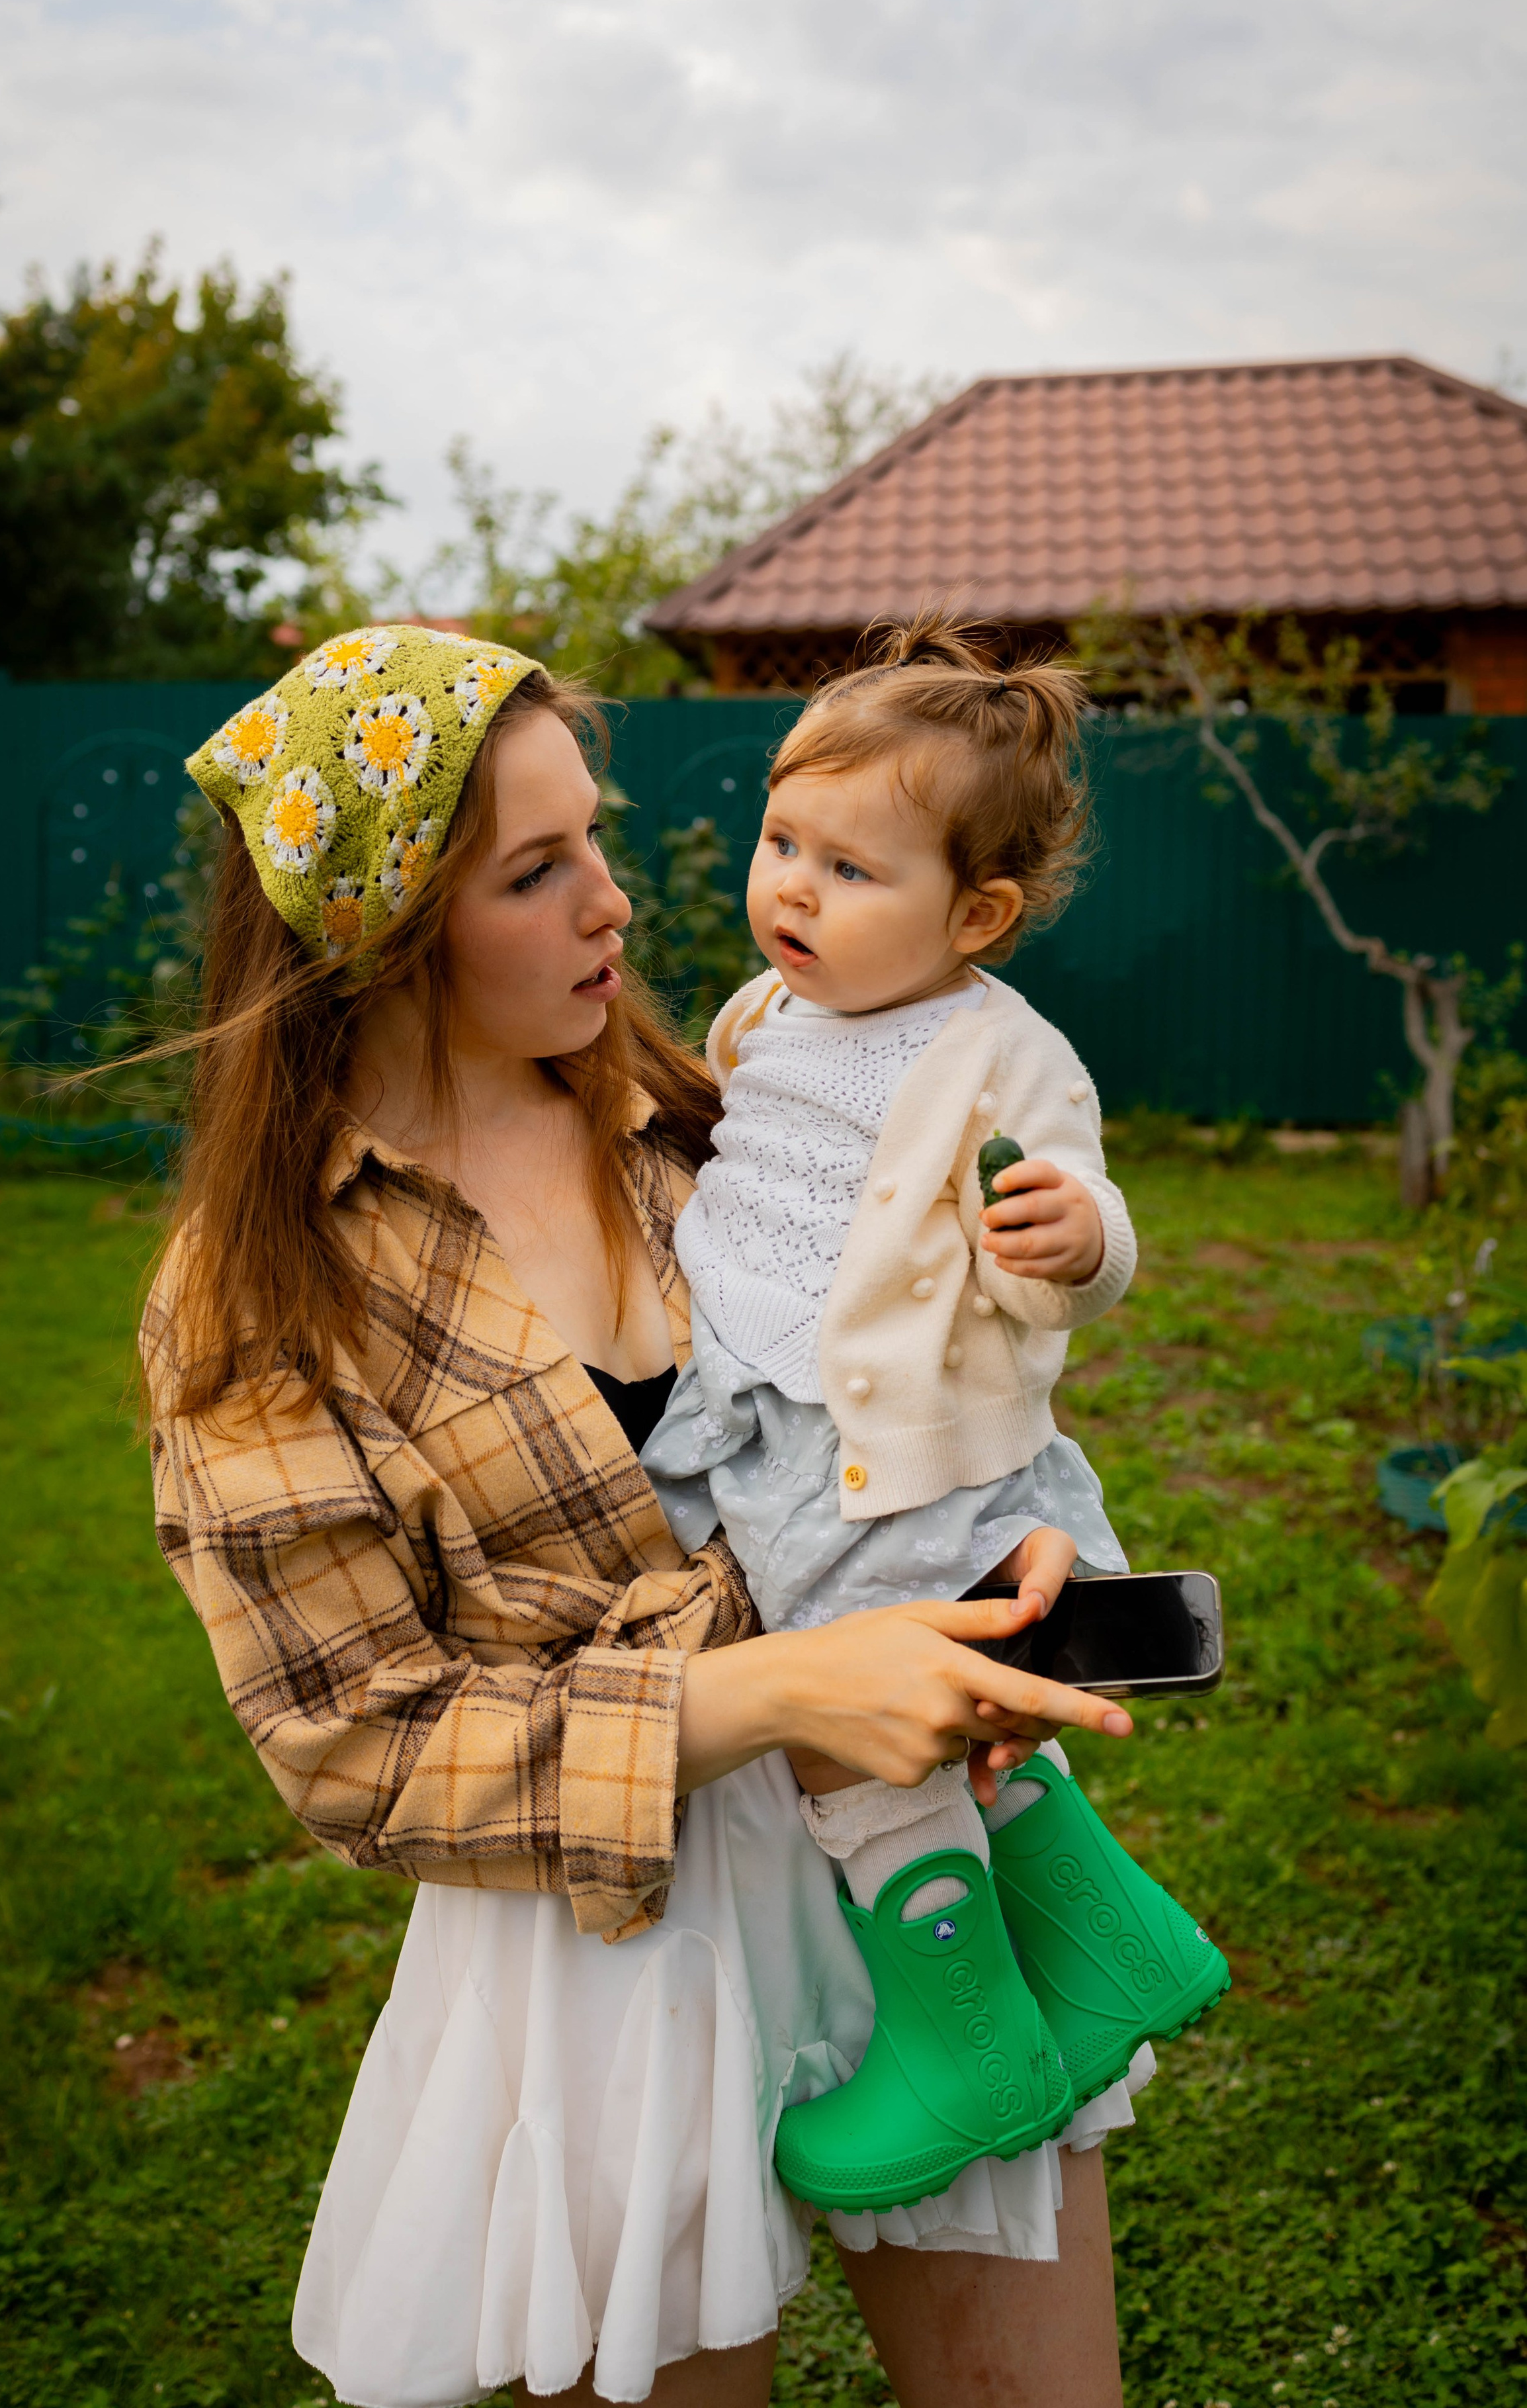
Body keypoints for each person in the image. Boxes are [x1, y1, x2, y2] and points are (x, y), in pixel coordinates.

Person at [140, 623, 1143, 2408]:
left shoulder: (714, 1114)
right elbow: (356, 1742)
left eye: (591, 837)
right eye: (536, 871)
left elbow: (915, 1370)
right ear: (379, 932)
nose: (613, 899)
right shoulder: (265, 1291)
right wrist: (782, 1693)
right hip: (611, 1956)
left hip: (925, 1885)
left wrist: (1009, 1537)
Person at [637, 612, 1229, 2214]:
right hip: (771, 1434)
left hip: (882, 1461)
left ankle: (961, 2046)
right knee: (953, 1709)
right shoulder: (760, 1018)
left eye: (849, 869)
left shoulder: (996, 1054)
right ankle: (1111, 1951)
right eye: (781, 843)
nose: (792, 890)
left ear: (975, 915)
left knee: (858, 1729)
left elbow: (1071, 1219)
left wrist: (1077, 1239)